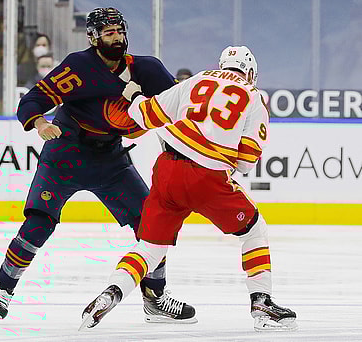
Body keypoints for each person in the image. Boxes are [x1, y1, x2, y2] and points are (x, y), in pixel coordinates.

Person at [0, 7, 196, 325]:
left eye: (119, 31)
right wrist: (39, 122)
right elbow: (32, 100)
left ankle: (155, 299)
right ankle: (2, 291)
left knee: (152, 226)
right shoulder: (79, 67)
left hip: (111, 159)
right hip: (64, 155)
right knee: (38, 225)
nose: (117, 37)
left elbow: (179, 105)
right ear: (93, 37)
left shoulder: (147, 70)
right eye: (108, 32)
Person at [80, 46, 298, 332]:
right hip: (208, 177)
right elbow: (246, 162)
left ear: (222, 65)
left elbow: (147, 115)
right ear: (250, 72)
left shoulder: (195, 80)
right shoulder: (254, 96)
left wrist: (133, 96)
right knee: (254, 230)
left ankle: (112, 291)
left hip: (168, 169)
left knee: (150, 249)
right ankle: (262, 302)